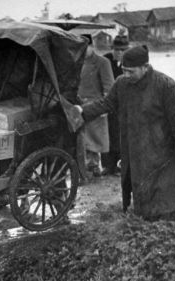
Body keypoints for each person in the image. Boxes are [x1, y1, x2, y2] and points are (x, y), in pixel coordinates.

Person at [74, 45, 175, 220]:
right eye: (124, 70)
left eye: (131, 72)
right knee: (139, 189)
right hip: (134, 148)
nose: (126, 75)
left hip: (162, 151)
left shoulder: (167, 86)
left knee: (165, 194)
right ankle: (143, 222)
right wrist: (82, 110)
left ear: (145, 67)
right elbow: (106, 103)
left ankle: (167, 224)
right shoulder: (122, 84)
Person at [78, 34, 114, 179]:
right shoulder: (76, 62)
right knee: (82, 138)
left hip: (96, 106)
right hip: (79, 105)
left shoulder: (102, 62)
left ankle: (94, 167)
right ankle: (85, 168)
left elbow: (109, 87)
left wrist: (106, 107)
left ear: (92, 46)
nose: (81, 51)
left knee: (95, 140)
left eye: (85, 47)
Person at [101, 35, 130, 176]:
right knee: (106, 133)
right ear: (112, 49)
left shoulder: (131, 63)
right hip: (108, 102)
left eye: (122, 50)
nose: (119, 52)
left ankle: (120, 166)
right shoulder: (105, 60)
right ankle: (107, 165)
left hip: (124, 104)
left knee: (121, 134)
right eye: (116, 49)